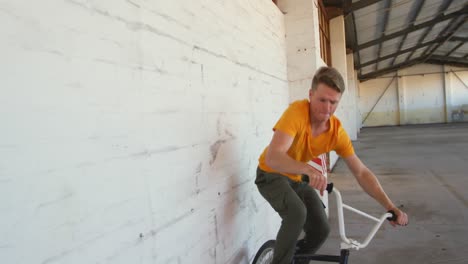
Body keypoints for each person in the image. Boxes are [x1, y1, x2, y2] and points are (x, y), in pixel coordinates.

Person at [255, 66, 409, 264]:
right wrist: (308, 170)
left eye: (333, 102)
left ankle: (295, 259)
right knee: (297, 213)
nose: (327, 108)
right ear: (311, 95)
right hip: (270, 174)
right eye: (322, 100)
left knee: (321, 228)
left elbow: (361, 172)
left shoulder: (336, 133)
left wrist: (390, 206)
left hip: (295, 177)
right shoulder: (296, 113)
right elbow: (274, 158)